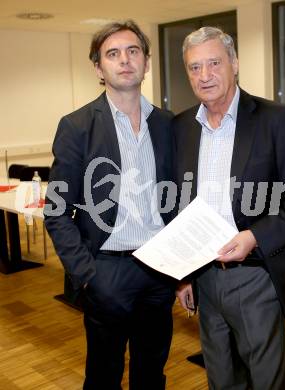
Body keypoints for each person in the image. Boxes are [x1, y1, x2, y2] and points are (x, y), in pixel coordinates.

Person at [173, 26, 285, 390]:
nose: (204, 75)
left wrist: (254, 236)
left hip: (256, 277)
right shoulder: (182, 127)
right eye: (194, 67)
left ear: (234, 64)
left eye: (214, 63)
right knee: (221, 380)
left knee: (266, 382)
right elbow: (180, 205)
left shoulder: (273, 119)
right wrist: (183, 273)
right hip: (205, 278)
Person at [45, 20, 175, 390]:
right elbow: (57, 211)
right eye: (113, 54)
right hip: (107, 271)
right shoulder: (77, 126)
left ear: (147, 62)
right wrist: (87, 274)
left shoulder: (168, 124)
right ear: (99, 68)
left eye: (133, 51)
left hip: (160, 270)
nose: (125, 60)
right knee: (103, 375)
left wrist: (183, 270)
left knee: (152, 373)